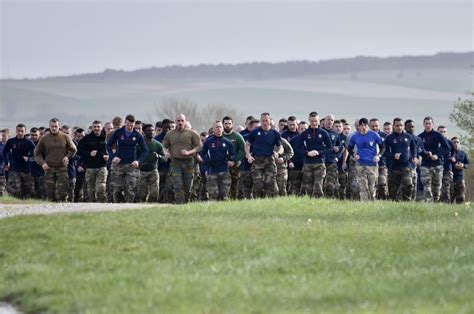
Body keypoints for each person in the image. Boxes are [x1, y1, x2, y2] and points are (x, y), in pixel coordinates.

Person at [107, 114, 148, 203]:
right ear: (125, 123)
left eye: (132, 126)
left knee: (131, 189)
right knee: (117, 188)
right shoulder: (118, 132)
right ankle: (116, 207)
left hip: (131, 165)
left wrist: (138, 161)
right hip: (119, 164)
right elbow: (108, 145)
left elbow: (145, 150)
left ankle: (128, 206)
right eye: (128, 125)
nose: (130, 127)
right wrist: (113, 157)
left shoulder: (137, 135)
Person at [34, 118, 77, 201]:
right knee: (50, 193)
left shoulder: (65, 137)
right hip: (49, 168)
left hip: (62, 168)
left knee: (63, 192)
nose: (54, 128)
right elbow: (36, 153)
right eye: (52, 126)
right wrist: (42, 163)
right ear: (49, 126)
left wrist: (67, 157)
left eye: (56, 126)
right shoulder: (44, 138)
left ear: (59, 126)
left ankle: (63, 209)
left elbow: (74, 149)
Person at [163, 114, 202, 204]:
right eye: (178, 121)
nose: (180, 122)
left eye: (182, 121)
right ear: (176, 121)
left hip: (188, 162)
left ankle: (186, 202)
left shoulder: (192, 133)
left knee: (188, 186)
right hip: (176, 163)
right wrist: (166, 153)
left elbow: (199, 146)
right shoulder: (170, 134)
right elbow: (164, 146)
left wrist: (189, 152)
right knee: (177, 185)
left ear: (185, 121)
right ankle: (179, 204)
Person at [345, 118, 384, 201]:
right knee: (363, 186)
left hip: (372, 164)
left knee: (371, 187)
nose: (363, 127)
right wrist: (354, 155)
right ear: (359, 126)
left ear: (368, 126)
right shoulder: (355, 136)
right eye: (361, 125)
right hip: (360, 164)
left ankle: (372, 203)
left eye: (365, 126)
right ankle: (364, 203)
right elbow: (349, 148)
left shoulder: (374, 135)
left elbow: (383, 146)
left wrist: (378, 156)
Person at [245, 113, 282, 198]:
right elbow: (247, 144)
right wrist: (248, 155)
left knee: (270, 183)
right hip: (257, 161)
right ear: (261, 121)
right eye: (263, 120)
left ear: (270, 121)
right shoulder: (255, 132)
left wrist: (278, 153)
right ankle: (258, 201)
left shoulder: (275, 133)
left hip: (270, 161)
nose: (265, 122)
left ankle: (270, 202)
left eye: (266, 120)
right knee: (258, 184)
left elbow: (281, 147)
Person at [297, 112, 332, 198]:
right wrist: (307, 153)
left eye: (315, 121)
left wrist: (318, 152)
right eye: (312, 121)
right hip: (308, 163)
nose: (314, 123)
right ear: (309, 121)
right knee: (307, 185)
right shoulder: (305, 133)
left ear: (319, 121)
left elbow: (329, 148)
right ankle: (308, 201)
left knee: (318, 185)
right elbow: (298, 148)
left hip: (319, 162)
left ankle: (318, 201)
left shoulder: (323, 133)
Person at [200, 121, 236, 201]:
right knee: (213, 194)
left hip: (224, 171)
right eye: (217, 127)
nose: (218, 129)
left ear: (222, 128)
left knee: (224, 195)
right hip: (212, 171)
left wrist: (232, 160)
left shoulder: (227, 142)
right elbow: (202, 154)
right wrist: (207, 161)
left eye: (220, 127)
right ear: (213, 129)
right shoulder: (208, 141)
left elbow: (233, 154)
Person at [418, 117, 451, 202]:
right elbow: (418, 150)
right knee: (427, 185)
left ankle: (436, 202)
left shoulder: (438, 135)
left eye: (429, 123)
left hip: (437, 164)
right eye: (426, 123)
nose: (428, 125)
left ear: (433, 124)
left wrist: (437, 155)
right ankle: (428, 202)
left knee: (437, 186)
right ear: (423, 124)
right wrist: (425, 153)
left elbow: (447, 148)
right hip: (425, 165)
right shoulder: (420, 137)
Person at [384, 118, 417, 201]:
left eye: (401, 125)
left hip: (406, 167)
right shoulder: (389, 138)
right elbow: (385, 152)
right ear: (394, 126)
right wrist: (393, 155)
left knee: (408, 184)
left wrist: (414, 157)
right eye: (397, 125)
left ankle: (406, 202)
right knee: (393, 193)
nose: (399, 127)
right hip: (393, 168)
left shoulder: (408, 137)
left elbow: (413, 148)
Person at [78, 120, 109, 202]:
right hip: (90, 167)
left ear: (101, 127)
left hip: (102, 166)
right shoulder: (87, 138)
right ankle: (92, 204)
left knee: (101, 187)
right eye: (94, 127)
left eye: (98, 127)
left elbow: (113, 149)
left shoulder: (106, 137)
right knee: (90, 189)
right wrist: (89, 153)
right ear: (92, 128)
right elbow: (78, 150)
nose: (96, 128)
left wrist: (108, 156)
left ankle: (101, 204)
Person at [4, 123, 36, 199]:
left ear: (25, 132)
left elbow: (35, 155)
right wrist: (7, 161)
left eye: (22, 131)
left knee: (28, 190)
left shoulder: (29, 142)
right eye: (18, 131)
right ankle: (15, 203)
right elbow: (5, 151)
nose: (20, 133)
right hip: (14, 169)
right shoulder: (11, 141)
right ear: (16, 131)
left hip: (26, 170)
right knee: (15, 189)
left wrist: (29, 158)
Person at [138, 124, 165, 202]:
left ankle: (151, 206)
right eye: (149, 131)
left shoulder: (158, 145)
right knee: (142, 194)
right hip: (142, 171)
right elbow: (135, 156)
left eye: (153, 130)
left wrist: (158, 157)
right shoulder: (139, 144)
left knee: (155, 193)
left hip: (153, 170)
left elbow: (164, 158)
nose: (151, 132)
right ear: (144, 132)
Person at [222, 116, 246, 200]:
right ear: (223, 125)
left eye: (229, 123)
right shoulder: (219, 136)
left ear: (232, 124)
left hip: (234, 166)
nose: (227, 125)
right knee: (222, 186)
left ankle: (233, 201)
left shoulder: (237, 136)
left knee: (234, 185)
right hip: (221, 165)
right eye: (225, 124)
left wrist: (235, 160)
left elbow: (243, 150)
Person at [322, 114, 340, 198]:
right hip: (320, 162)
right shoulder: (320, 131)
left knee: (330, 184)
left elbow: (340, 147)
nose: (330, 121)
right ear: (324, 120)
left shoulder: (336, 134)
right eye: (328, 119)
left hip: (331, 162)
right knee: (320, 184)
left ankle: (329, 200)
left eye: (332, 120)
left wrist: (337, 148)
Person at [450, 137, 470, 203]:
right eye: (454, 142)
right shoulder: (448, 153)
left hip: (460, 179)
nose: (456, 144)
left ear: (459, 144)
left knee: (461, 198)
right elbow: (444, 165)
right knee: (449, 199)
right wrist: (454, 166)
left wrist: (463, 165)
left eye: (457, 142)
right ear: (451, 143)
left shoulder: (463, 153)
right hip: (450, 178)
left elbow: (468, 164)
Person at [437, 126, 454, 203]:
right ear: (438, 132)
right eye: (441, 131)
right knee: (436, 189)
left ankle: (446, 204)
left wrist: (453, 158)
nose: (443, 133)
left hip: (447, 169)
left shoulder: (450, 143)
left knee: (446, 189)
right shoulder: (435, 142)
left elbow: (454, 153)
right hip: (436, 168)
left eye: (444, 131)